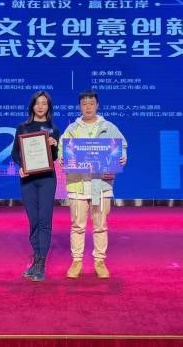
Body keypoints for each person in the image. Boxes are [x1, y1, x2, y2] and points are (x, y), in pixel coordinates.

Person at [58, 90, 127, 279]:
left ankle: (99, 261)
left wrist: (122, 157)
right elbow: (62, 149)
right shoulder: (72, 128)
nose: (88, 107)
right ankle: (77, 261)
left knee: (100, 225)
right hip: (78, 184)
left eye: (91, 103)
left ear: (97, 105)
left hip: (100, 184)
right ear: (80, 106)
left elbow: (122, 147)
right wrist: (62, 157)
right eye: (84, 103)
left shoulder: (109, 127)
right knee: (77, 225)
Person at [11, 91, 60, 282]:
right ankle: (36, 258)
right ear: (32, 105)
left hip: (47, 179)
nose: (40, 106)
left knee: (44, 221)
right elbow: (15, 153)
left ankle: (41, 263)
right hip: (28, 180)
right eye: (37, 103)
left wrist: (54, 145)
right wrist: (21, 166)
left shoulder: (53, 129)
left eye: (44, 103)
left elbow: (54, 157)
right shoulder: (22, 127)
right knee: (33, 221)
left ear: (49, 107)